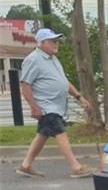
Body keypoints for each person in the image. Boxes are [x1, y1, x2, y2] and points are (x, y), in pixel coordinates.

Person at [16, 28, 94, 179]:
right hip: (46, 106)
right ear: (42, 43)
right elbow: (25, 85)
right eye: (53, 41)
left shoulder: (53, 59)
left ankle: (25, 166)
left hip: (56, 106)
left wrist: (79, 97)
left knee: (43, 134)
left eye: (57, 41)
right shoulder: (33, 59)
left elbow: (64, 82)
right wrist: (34, 107)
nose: (57, 43)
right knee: (60, 131)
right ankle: (76, 167)